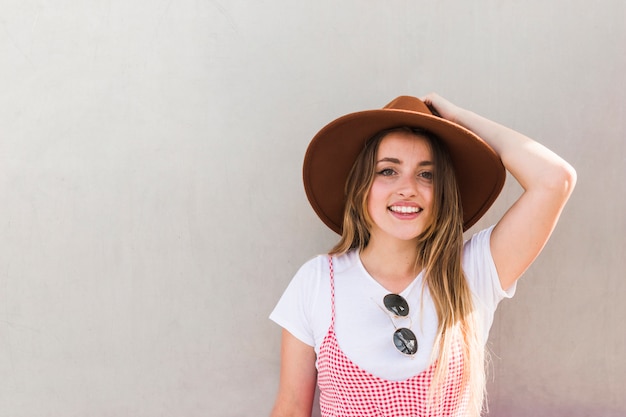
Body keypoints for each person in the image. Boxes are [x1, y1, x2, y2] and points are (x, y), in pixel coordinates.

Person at [269, 94, 576, 417]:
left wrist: (460, 120)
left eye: (426, 174)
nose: (408, 188)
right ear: (361, 187)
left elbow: (555, 179)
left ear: (443, 192)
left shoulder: (472, 272)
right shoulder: (317, 282)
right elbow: (290, 408)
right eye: (388, 171)